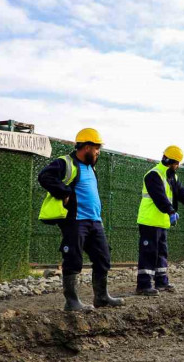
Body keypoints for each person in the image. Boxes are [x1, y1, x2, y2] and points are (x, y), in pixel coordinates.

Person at [38, 128, 124, 311]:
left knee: (103, 258)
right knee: (73, 259)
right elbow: (44, 176)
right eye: (96, 148)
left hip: (94, 220)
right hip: (75, 221)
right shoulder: (66, 163)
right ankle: (71, 302)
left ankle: (101, 297)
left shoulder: (91, 167)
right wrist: (65, 192)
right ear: (86, 147)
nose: (98, 151)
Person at [135, 145, 184, 295]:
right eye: (177, 163)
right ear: (170, 161)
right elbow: (159, 197)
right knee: (149, 252)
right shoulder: (153, 175)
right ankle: (143, 285)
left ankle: (161, 282)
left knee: (162, 252)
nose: (178, 166)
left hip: (161, 221)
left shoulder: (171, 176)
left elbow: (182, 193)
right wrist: (171, 211)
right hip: (149, 221)